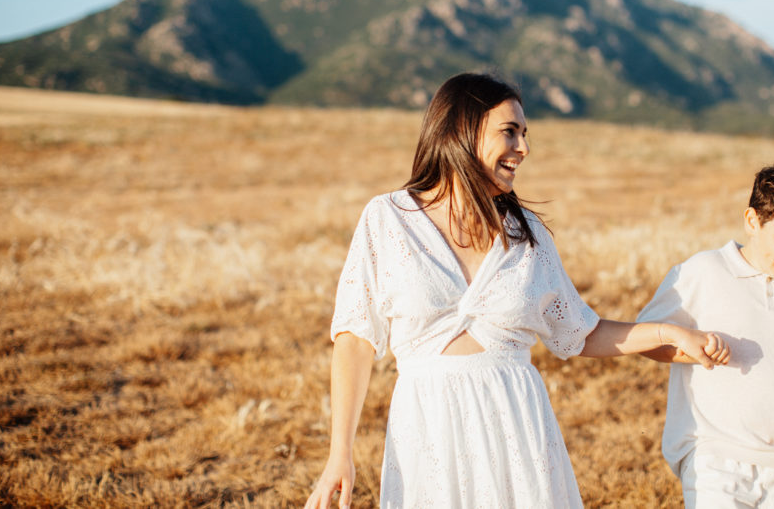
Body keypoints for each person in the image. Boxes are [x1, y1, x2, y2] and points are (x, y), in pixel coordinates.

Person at [304, 72, 731, 509]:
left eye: (525, 135)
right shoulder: (387, 219)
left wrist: (667, 333)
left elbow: (580, 332)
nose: (524, 148)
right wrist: (341, 454)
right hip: (428, 431)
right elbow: (356, 340)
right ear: (461, 132)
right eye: (510, 132)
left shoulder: (528, 239)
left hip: (518, 430)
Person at [636, 161, 774, 508]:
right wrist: (691, 349)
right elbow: (647, 340)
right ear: (752, 221)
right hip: (716, 457)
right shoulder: (704, 271)